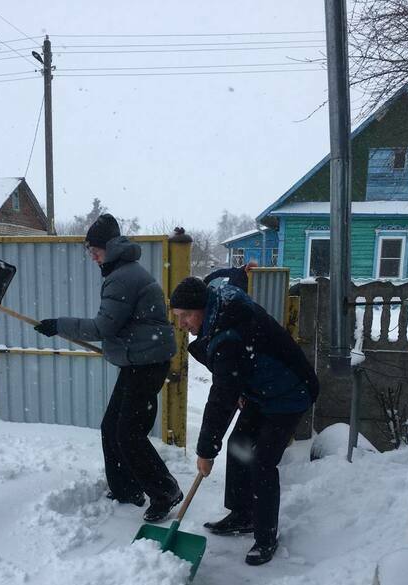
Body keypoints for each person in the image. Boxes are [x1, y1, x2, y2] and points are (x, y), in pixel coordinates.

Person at [34, 213, 183, 522]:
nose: (92, 256)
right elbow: (124, 325)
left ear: (109, 247)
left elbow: (103, 327)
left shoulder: (123, 277)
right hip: (139, 361)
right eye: (89, 250)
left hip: (146, 364)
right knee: (112, 427)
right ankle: (126, 488)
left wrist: (59, 324)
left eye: (94, 250)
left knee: (128, 432)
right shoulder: (124, 272)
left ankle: (165, 491)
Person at [169, 276, 319, 566]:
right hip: (261, 389)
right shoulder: (220, 312)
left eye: (186, 315)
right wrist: (240, 386)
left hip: (290, 391)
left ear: (202, 308)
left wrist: (205, 451)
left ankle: (266, 537)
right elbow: (235, 374)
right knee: (239, 443)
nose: (182, 324)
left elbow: (221, 399)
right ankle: (243, 514)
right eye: (178, 316)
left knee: (262, 461)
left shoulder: (227, 334)